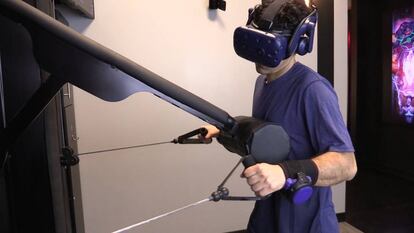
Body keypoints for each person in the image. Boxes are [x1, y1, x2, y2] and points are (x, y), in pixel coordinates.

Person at [203, 0, 357, 232]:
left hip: (305, 222)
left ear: (299, 43)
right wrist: (224, 131)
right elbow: (269, 134)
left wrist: (285, 172)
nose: (261, 55)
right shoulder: (262, 82)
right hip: (267, 215)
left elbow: (347, 165)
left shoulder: (313, 89)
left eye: (270, 46)